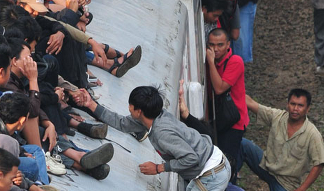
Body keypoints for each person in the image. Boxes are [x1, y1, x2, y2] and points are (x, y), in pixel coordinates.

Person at [82, 85, 231, 191]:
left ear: (139, 111)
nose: (128, 108)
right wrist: (91, 105)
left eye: (130, 105)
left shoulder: (162, 133)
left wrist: (159, 168)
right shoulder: (154, 116)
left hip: (211, 174)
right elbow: (121, 123)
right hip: (213, 165)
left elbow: (191, 158)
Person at [241, 89, 324, 191]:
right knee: (243, 144)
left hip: (286, 183)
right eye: (292, 104)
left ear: (307, 109)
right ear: (287, 104)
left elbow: (319, 163)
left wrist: (301, 189)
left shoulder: (312, 133)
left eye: (300, 105)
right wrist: (229, 84)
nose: (295, 108)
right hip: (265, 166)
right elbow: (251, 103)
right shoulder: (278, 116)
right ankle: (227, 182)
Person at [206, 28, 248, 183]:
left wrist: (210, 62)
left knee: (227, 167)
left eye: (220, 45)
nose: (216, 49)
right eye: (212, 45)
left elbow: (219, 88)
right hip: (219, 120)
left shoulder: (235, 61)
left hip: (233, 122)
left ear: (228, 44)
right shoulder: (214, 60)